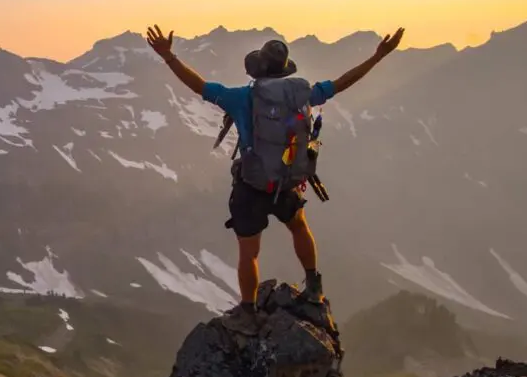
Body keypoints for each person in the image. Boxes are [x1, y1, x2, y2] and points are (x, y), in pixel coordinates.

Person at [145, 23, 405, 313]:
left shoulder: (241, 98)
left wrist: (169, 57)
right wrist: (378, 56)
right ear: (284, 70)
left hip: (253, 185)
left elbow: (199, 86)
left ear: (257, 69)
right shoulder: (302, 94)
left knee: (249, 251)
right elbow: (342, 83)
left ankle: (247, 310)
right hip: (288, 180)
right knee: (299, 226)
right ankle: (314, 286)